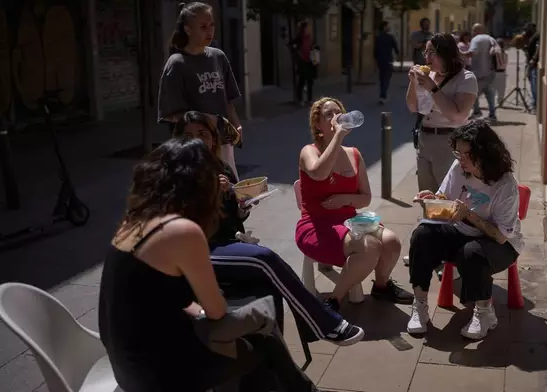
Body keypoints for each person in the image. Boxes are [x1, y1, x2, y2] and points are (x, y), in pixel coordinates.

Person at [99, 138, 322, 391]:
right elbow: (216, 311)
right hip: (159, 373)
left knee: (255, 338)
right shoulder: (182, 231)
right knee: (259, 342)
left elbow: (166, 299)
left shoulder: (132, 224)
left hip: (126, 365)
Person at [172, 111, 365, 346]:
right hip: (200, 251)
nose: (197, 140)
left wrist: (242, 204)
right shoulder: (177, 174)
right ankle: (323, 323)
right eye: (189, 135)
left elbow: (233, 213)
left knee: (268, 285)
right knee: (264, 259)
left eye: (202, 134)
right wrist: (206, 193)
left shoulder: (221, 167)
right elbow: (179, 225)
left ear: (213, 138)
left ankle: (275, 354)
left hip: (229, 242)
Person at [406, 120, 524, 339]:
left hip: (502, 244)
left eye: (465, 154)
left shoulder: (505, 184)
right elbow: (445, 198)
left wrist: (468, 214)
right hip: (461, 231)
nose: (460, 159)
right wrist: (431, 199)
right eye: (457, 152)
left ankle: (485, 312)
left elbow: (500, 236)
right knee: (422, 234)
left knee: (472, 252)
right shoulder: (459, 166)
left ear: (484, 153)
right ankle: (420, 304)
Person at [295, 97, 414, 311]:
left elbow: (366, 197)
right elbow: (320, 174)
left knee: (392, 242)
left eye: (338, 112)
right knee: (369, 247)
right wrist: (338, 135)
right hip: (316, 225)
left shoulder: (354, 154)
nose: (336, 117)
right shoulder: (309, 151)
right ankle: (334, 300)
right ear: (319, 126)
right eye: (328, 115)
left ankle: (381, 286)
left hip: (350, 221)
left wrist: (345, 199)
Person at [158, 2, 242, 180]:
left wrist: (236, 123)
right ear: (188, 30)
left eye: (211, 25)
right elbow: (170, 114)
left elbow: (227, 100)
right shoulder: (177, 64)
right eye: (203, 27)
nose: (209, 31)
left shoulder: (218, 57)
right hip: (193, 148)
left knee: (231, 193)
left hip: (222, 142)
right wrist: (204, 118)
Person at [406, 33, 478, 193]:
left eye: (431, 52)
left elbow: (457, 116)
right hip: (425, 140)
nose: (427, 57)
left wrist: (433, 88)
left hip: (449, 142)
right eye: (425, 52)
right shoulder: (429, 76)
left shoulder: (466, 78)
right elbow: (413, 107)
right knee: (426, 195)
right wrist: (412, 83)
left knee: (448, 197)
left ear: (445, 53)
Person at [459, 24, 498, 122]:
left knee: (471, 92)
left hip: (479, 72)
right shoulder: (491, 38)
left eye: (473, 30)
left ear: (476, 30)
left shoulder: (476, 39)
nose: (472, 32)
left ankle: (476, 111)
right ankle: (492, 114)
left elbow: (472, 53)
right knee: (490, 93)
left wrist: (459, 53)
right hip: (490, 72)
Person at [290, 20, 318, 106]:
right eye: (305, 28)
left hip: (310, 61)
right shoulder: (299, 38)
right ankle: (300, 99)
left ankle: (309, 100)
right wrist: (297, 54)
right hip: (302, 62)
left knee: (310, 81)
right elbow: (291, 45)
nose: (307, 30)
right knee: (302, 81)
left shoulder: (310, 38)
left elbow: (314, 47)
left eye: (308, 28)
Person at [374, 21, 399, 104]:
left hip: (380, 61)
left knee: (382, 78)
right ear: (384, 27)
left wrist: (376, 59)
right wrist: (398, 55)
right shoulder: (390, 37)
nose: (389, 27)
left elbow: (375, 50)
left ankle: (382, 95)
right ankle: (383, 95)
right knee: (387, 78)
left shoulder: (377, 37)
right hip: (388, 60)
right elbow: (395, 48)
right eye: (387, 26)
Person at [523, 23, 540, 112]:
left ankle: (534, 106)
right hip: (530, 64)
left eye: (527, 29)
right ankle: (533, 104)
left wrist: (533, 59)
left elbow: (538, 48)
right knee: (532, 83)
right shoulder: (531, 37)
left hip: (534, 64)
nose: (526, 30)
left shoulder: (537, 36)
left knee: (534, 86)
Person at [493, 38, 509, 104]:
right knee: (493, 89)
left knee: (501, 89)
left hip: (502, 72)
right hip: (494, 72)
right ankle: (493, 102)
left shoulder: (505, 53)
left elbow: (504, 64)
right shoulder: (493, 53)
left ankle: (500, 102)